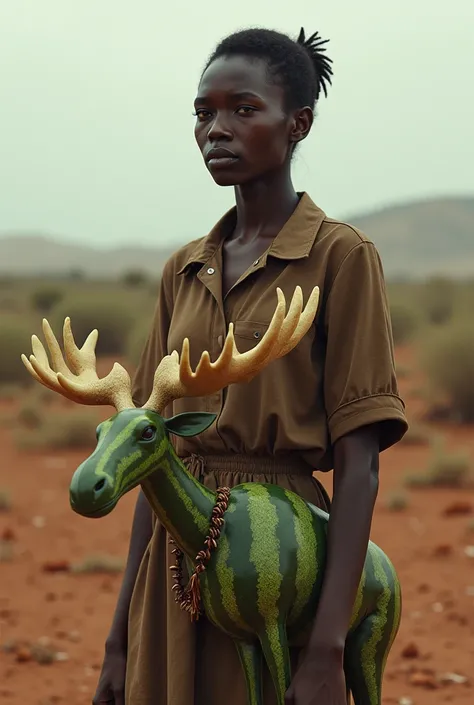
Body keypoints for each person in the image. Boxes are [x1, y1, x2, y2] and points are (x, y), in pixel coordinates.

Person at [92, 26, 408, 705]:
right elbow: (153, 451)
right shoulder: (185, 267)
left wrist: (325, 648)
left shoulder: (341, 257)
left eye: (243, 108)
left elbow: (361, 466)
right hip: (175, 569)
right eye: (204, 113)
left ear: (297, 124)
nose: (217, 129)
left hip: (281, 561)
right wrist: (119, 640)